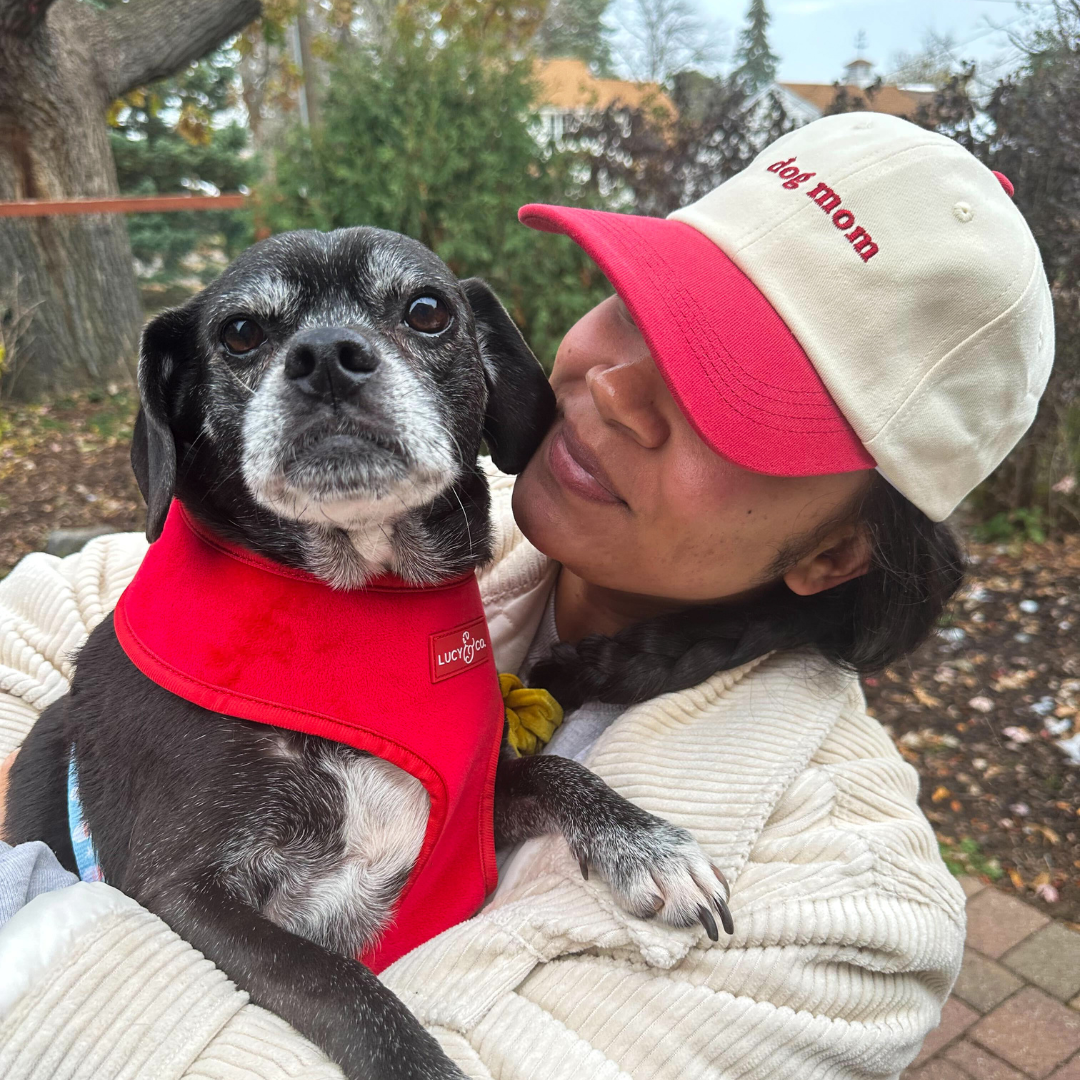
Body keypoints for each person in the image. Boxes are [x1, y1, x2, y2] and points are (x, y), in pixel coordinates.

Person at [0, 112, 1053, 1079]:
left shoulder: (853, 919)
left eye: (737, 396)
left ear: (836, 553)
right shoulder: (438, 535)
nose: (618, 389)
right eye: (645, 307)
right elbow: (37, 631)